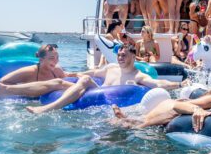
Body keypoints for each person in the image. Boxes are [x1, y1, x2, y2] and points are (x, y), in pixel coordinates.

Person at [25, 44, 179, 115]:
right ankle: (12, 91)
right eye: (118, 55)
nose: (120, 58)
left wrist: (179, 84)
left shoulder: (137, 76)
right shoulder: (111, 68)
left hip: (108, 102)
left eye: (124, 55)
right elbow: (94, 72)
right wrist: (73, 73)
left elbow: (158, 83)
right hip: (96, 93)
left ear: (133, 57)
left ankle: (47, 108)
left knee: (84, 80)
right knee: (79, 79)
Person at [111, 68, 211, 132]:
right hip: (168, 108)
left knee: (138, 122)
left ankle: (125, 119)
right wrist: (197, 109)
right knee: (139, 125)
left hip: (168, 106)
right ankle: (124, 120)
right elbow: (178, 106)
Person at [0, 43, 75, 99]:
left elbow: (66, 83)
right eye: (52, 58)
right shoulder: (29, 72)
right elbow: (3, 81)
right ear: (41, 59)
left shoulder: (57, 70)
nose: (56, 61)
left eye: (57, 57)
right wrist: (24, 92)